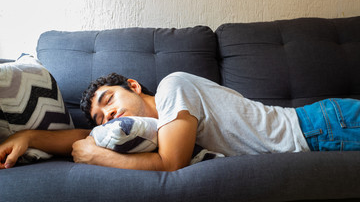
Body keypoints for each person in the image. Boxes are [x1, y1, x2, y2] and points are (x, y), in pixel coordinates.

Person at [1, 72, 359, 171]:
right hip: (318, 133)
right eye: (101, 117)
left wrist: (99, 157)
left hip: (321, 126)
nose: (108, 115)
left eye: (109, 100)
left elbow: (171, 163)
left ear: (134, 86)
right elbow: (83, 136)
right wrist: (29, 136)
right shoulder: (156, 127)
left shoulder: (173, 87)